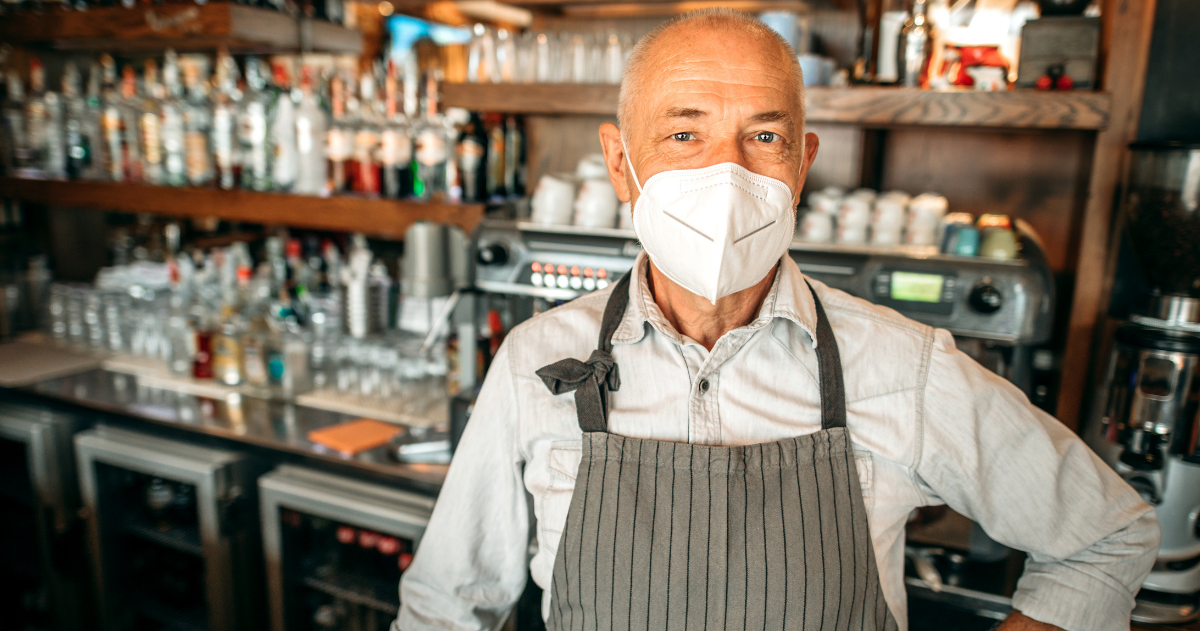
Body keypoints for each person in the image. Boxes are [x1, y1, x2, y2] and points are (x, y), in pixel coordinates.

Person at [396, 9, 1158, 631]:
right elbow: (445, 608)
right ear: (621, 163)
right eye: (684, 134)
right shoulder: (538, 359)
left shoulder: (902, 364)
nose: (725, 175)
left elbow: (1106, 536)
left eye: (763, 137)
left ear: (800, 163)